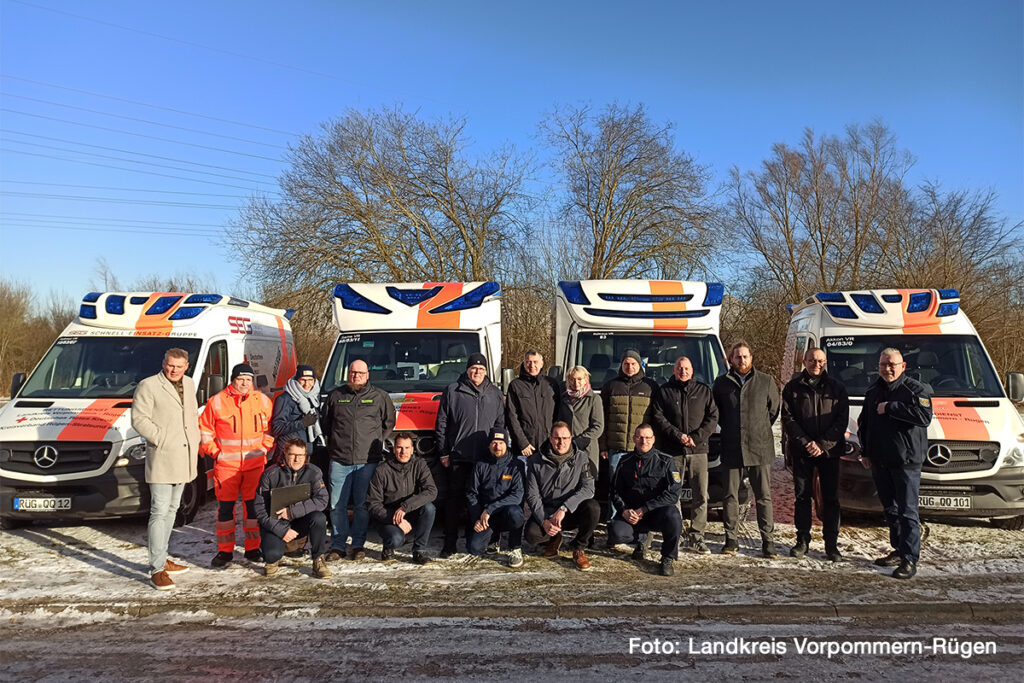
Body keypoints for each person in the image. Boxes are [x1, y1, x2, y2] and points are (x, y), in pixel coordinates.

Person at [858, 348, 932, 579]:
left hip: (906, 461)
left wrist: (891, 407)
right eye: (883, 365)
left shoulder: (915, 389)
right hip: (880, 460)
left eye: (892, 364)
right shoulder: (873, 391)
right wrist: (866, 452)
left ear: (903, 366)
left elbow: (924, 417)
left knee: (907, 511)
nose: (887, 369)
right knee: (890, 509)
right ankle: (898, 549)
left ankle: (910, 558)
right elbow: (865, 424)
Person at [131, 348, 201, 590]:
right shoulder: (148, 385)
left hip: (184, 456)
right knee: (159, 511)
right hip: (162, 456)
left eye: (179, 366)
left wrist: (196, 438)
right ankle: (156, 568)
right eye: (170, 365)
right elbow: (139, 419)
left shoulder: (190, 384)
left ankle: (163, 557)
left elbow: (190, 415)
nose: (174, 370)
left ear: (187, 366)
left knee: (173, 509)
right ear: (163, 363)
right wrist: (161, 438)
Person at [199, 363, 275, 568]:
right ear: (233, 379)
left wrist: (265, 449)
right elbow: (205, 431)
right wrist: (215, 452)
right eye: (241, 379)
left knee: (252, 509)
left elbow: (271, 430)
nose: (244, 383)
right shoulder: (216, 402)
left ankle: (252, 548)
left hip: (255, 465)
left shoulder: (263, 401)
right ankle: (225, 552)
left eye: (248, 380)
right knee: (225, 510)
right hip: (226, 467)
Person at [712, 341, 781, 558]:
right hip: (732, 446)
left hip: (759, 447)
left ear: (751, 358)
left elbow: (773, 411)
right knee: (730, 496)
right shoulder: (721, 384)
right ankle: (731, 539)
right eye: (737, 357)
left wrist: (757, 428)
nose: (742, 360)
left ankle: (767, 541)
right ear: (731, 360)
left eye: (745, 356)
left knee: (763, 496)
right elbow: (717, 412)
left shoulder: (766, 381)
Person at [323, 359, 396, 561]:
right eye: (353, 373)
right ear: (348, 374)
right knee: (337, 505)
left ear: (368, 375)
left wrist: (376, 441)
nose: (356, 376)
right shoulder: (336, 396)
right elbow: (326, 424)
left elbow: (389, 423)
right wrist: (335, 443)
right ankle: (338, 546)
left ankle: (357, 545)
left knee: (362, 506)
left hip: (367, 461)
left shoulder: (380, 397)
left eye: (360, 373)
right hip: (339, 459)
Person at [782, 347, 850, 562]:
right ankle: (802, 541)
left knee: (830, 499)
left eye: (820, 361)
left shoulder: (837, 388)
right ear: (804, 361)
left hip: (829, 452)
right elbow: (788, 419)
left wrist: (822, 444)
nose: (816, 364)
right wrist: (806, 443)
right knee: (802, 497)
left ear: (826, 362)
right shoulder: (792, 388)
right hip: (802, 452)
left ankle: (831, 545)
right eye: (812, 360)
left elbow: (841, 420)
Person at [434, 352, 505, 557]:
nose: (477, 372)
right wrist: (443, 452)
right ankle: (449, 542)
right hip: (459, 456)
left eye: (481, 369)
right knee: (454, 501)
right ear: (467, 370)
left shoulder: (494, 393)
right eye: (474, 368)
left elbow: (500, 424)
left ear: (486, 371)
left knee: (485, 499)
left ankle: (482, 539)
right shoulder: (453, 390)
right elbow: (442, 423)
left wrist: (498, 451)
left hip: (486, 458)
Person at [649, 356, 719, 555]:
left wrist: (696, 437)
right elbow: (658, 417)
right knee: (673, 494)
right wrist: (677, 435)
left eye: (686, 368)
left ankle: (697, 536)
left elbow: (713, 416)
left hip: (698, 451)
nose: (683, 371)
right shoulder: (664, 392)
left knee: (701, 495)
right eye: (679, 368)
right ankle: (676, 533)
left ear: (692, 370)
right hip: (673, 452)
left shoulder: (704, 391)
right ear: (674, 370)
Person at [607, 424, 682, 576]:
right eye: (640, 437)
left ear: (653, 439)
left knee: (674, 516)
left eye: (648, 438)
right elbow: (615, 492)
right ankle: (641, 540)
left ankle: (667, 557)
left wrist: (645, 508)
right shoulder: (624, 462)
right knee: (616, 533)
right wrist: (624, 511)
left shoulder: (665, 461)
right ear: (634, 439)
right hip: (633, 515)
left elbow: (673, 493)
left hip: (656, 513)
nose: (644, 441)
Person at [524, 422, 600, 571]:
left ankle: (578, 547)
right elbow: (532, 495)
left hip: (570, 512)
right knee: (531, 535)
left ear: (571, 438)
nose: (561, 442)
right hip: (547, 512)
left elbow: (588, 488)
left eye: (565, 438)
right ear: (551, 438)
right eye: (557, 438)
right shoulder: (535, 461)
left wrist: (565, 508)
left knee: (593, 508)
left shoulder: (582, 458)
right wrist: (544, 521)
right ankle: (554, 538)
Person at [253, 438, 331, 579]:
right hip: (276, 524)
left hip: (301, 521)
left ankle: (318, 559)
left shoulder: (314, 472)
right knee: (271, 555)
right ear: (285, 454)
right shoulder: (270, 474)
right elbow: (260, 509)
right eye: (293, 455)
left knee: (319, 518)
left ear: (306, 455)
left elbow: (322, 500)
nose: (297, 459)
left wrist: (292, 511)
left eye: (300, 455)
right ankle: (273, 559)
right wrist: (281, 530)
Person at [599, 350, 658, 521]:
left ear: (640, 365)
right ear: (621, 365)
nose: (630, 367)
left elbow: (655, 418)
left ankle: (640, 526)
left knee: (642, 488)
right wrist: (603, 445)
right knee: (616, 488)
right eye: (626, 363)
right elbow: (602, 417)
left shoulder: (650, 387)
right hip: (616, 449)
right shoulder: (611, 386)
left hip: (641, 449)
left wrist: (653, 445)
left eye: (633, 364)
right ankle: (614, 524)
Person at [367, 432, 437, 565]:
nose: (403, 452)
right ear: (393, 449)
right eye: (399, 447)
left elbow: (431, 491)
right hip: (387, 516)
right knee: (396, 540)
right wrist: (396, 518)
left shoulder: (419, 465)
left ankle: (419, 551)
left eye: (406, 448)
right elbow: (373, 505)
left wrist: (405, 507)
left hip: (410, 510)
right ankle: (388, 547)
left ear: (412, 450)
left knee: (429, 508)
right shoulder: (382, 470)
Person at [465, 429, 525, 568]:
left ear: (507, 444)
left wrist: (490, 509)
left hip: (506, 512)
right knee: (474, 548)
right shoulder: (480, 465)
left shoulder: (516, 465)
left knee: (516, 513)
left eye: (501, 443)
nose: (497, 447)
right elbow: (471, 493)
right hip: (486, 516)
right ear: (489, 445)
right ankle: (493, 537)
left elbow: (517, 495)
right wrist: (477, 518)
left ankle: (515, 547)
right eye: (494, 442)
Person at [506, 350, 561, 459]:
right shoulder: (515, 386)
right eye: (528, 362)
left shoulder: (551, 384)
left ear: (542, 363)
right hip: (525, 449)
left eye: (535, 362)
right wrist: (523, 443)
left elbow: (558, 414)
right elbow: (512, 417)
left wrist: (555, 441)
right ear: (524, 363)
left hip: (548, 446)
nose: (532, 365)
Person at [270, 364, 325, 465]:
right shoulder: (285, 399)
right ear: (296, 380)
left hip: (306, 454)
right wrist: (302, 423)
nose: (307, 384)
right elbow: (276, 427)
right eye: (303, 380)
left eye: (310, 380)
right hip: (288, 454)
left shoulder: (314, 398)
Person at [557, 366, 604, 471]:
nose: (576, 382)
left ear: (586, 379)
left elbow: (598, 426)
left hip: (587, 449)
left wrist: (579, 441)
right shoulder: (563, 398)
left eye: (579, 379)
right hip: (566, 449)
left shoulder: (594, 399)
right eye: (572, 379)